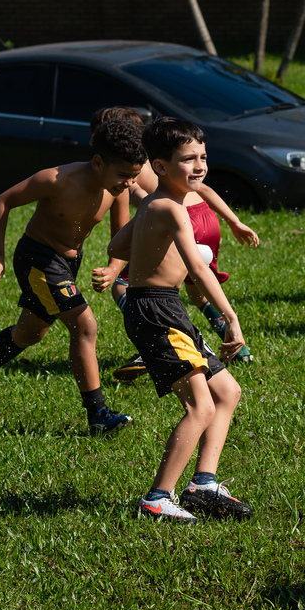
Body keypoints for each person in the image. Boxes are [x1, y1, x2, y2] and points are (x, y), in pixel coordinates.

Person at [0, 116, 145, 434]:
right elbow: (3, 201)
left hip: (69, 263)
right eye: (124, 175)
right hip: (37, 258)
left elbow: (120, 239)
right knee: (85, 325)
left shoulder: (118, 190)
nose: (129, 183)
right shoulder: (57, 179)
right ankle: (98, 414)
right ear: (98, 162)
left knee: (30, 333)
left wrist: (114, 269)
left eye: (134, 177)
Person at [109, 117, 252, 524]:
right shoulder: (170, 208)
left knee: (227, 392)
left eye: (203, 157)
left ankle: (203, 486)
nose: (200, 166)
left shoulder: (157, 203)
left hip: (164, 305)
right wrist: (230, 316)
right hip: (154, 310)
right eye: (188, 159)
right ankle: (157, 498)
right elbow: (200, 270)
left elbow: (116, 243)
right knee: (200, 406)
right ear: (159, 165)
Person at [87, 108, 259, 381]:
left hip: (180, 226)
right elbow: (204, 189)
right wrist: (233, 221)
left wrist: (116, 265)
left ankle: (152, 347)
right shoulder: (177, 170)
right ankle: (236, 345)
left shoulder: (128, 175)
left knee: (124, 285)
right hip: (206, 219)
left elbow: (119, 240)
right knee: (198, 292)